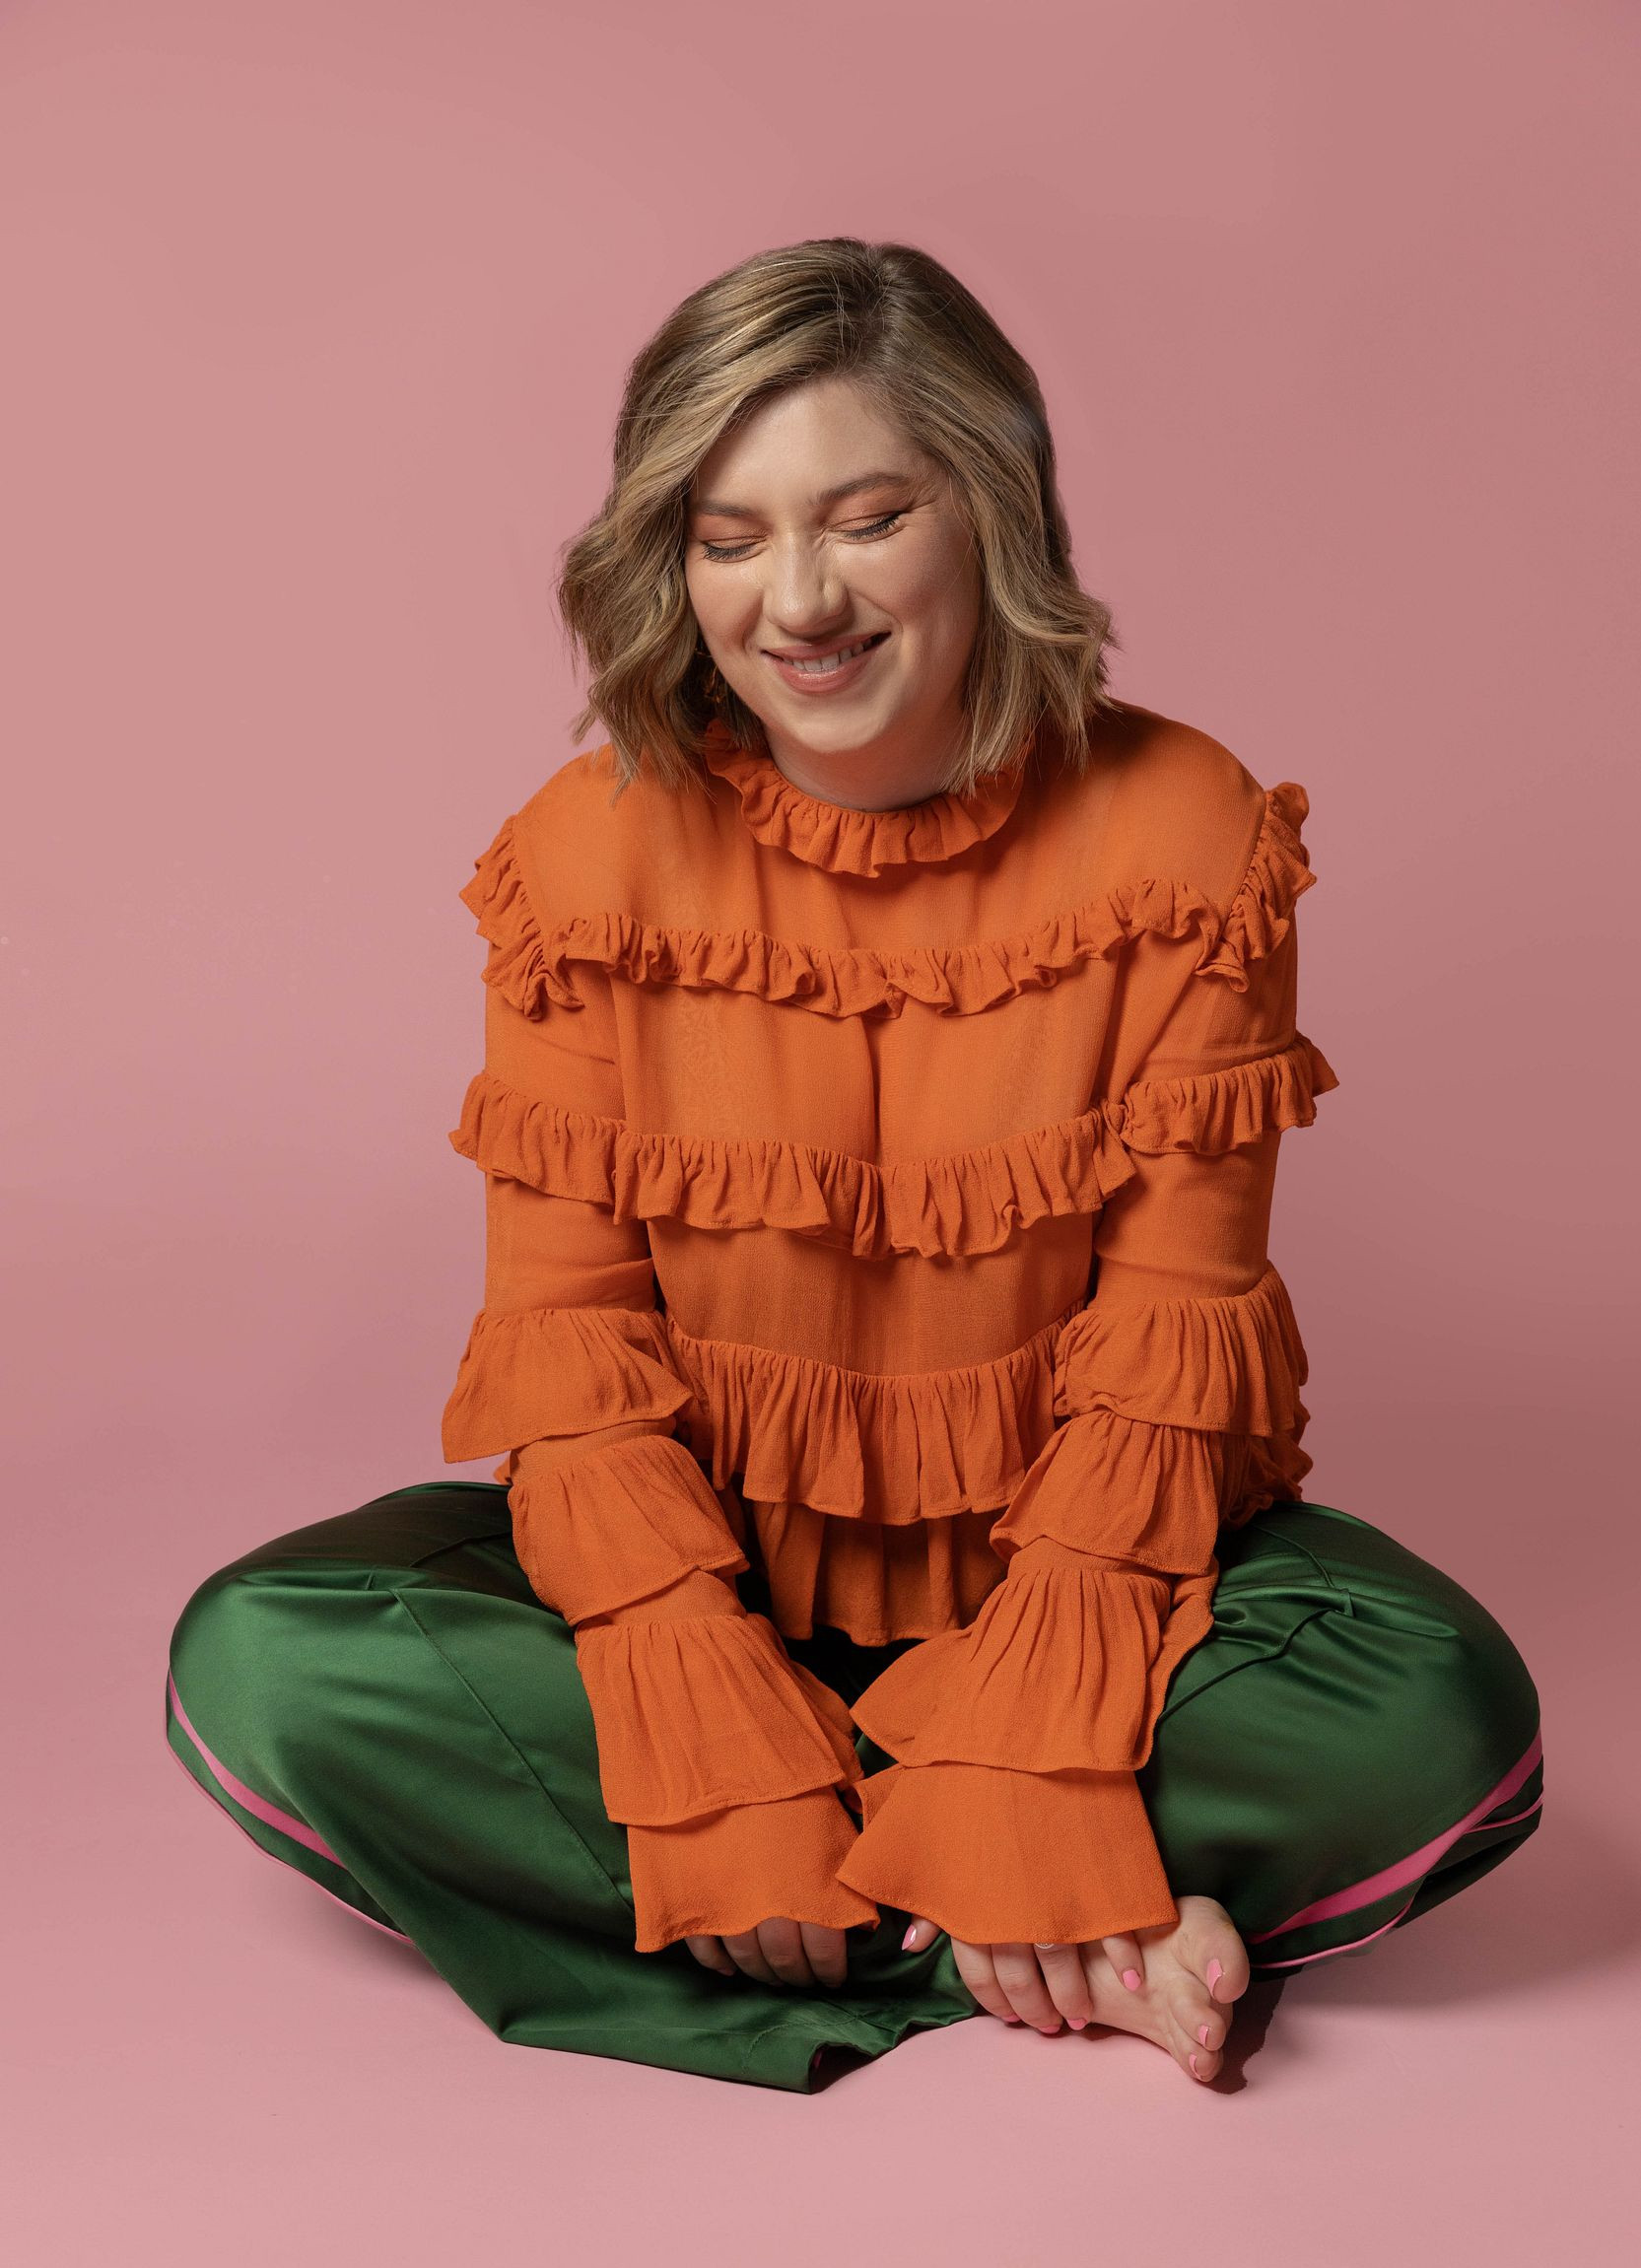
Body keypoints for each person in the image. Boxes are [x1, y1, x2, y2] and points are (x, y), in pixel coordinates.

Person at [164, 237, 1543, 2094]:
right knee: (259, 1664)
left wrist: (1024, 1756)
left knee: (1437, 1712)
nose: (795, 599)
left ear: (989, 515)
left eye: (865, 517)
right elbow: (568, 1367)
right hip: (695, 1598)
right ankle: (1035, 1942)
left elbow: (1163, 1363)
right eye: (726, 538)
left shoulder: (1189, 830)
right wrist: (706, 1730)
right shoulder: (579, 856)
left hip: (1105, 1606)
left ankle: (939, 1885)